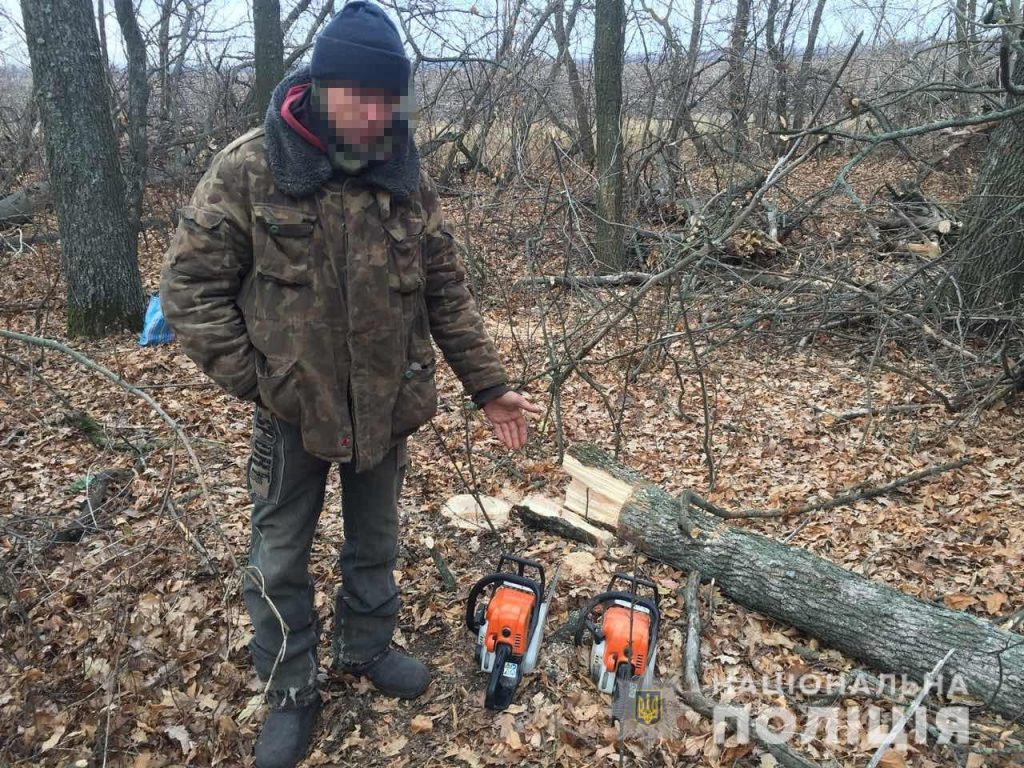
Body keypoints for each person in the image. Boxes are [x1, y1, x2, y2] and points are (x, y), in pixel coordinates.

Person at [158, 3, 540, 765]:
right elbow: (189, 290)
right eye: (360, 97)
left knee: (376, 543)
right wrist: (265, 382)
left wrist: (489, 385)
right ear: (321, 85)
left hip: (386, 405)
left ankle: (366, 646)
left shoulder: (403, 172)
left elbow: (444, 288)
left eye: (388, 99)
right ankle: (291, 692)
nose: (375, 115)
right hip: (292, 414)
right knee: (278, 559)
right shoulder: (251, 167)